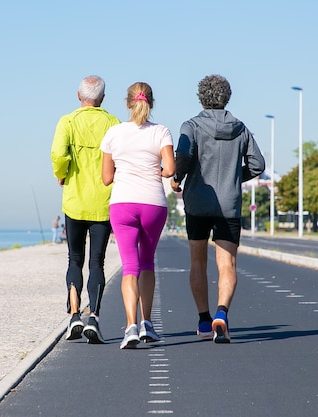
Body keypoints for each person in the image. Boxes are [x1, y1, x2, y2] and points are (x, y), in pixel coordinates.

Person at [171, 74, 265, 344]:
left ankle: (203, 319)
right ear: (227, 97)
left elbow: (185, 155)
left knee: (198, 262)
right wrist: (236, 177)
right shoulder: (241, 128)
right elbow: (258, 164)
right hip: (229, 205)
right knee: (228, 264)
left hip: (198, 203)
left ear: (201, 97)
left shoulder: (191, 126)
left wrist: (178, 178)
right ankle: (222, 314)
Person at [100, 82, 176, 349]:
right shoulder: (161, 131)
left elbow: (107, 178)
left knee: (129, 266)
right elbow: (169, 168)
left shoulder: (113, 133)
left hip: (122, 204)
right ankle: (148, 324)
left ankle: (130, 327)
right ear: (151, 103)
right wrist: (159, 172)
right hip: (153, 204)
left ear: (127, 103)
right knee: (147, 263)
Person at [51, 75, 120, 344]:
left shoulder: (67, 121)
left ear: (78, 95)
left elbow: (58, 155)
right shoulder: (113, 123)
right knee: (97, 262)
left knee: (74, 260)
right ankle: (94, 318)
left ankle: (74, 316)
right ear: (102, 98)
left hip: (75, 202)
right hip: (103, 203)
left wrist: (62, 172)